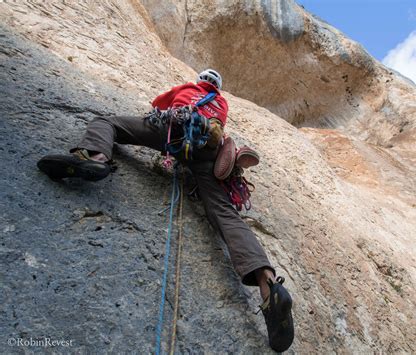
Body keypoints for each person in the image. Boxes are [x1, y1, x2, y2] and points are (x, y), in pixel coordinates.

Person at [37, 69, 294, 352]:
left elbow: (158, 104)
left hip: (174, 129)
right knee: (225, 213)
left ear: (200, 81)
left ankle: (96, 157)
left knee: (108, 122)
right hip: (207, 146)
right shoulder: (221, 104)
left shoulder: (187, 87)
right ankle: (268, 283)